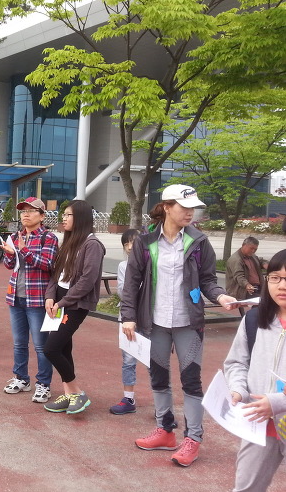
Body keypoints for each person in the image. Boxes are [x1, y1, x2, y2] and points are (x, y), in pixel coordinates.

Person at [121, 184, 236, 467]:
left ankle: (193, 438)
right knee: (158, 378)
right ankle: (165, 431)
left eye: (193, 208)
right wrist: (128, 316)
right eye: (184, 207)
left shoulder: (199, 242)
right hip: (154, 323)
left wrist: (221, 296)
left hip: (188, 323)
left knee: (191, 381)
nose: (190, 213)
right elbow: (131, 284)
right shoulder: (145, 242)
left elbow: (208, 280)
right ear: (166, 207)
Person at [222, 248, 286, 492]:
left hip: (278, 413)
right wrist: (238, 389)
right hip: (259, 424)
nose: (282, 285)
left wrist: (278, 401)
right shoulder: (255, 319)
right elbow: (237, 362)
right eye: (275, 278)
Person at [42, 200, 105, 414]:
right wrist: (50, 296)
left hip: (75, 303)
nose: (64, 218)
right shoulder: (68, 242)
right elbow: (56, 274)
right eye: (64, 215)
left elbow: (87, 280)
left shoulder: (92, 245)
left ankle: (77, 392)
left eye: (68, 215)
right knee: (63, 348)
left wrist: (62, 302)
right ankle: (69, 395)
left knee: (51, 349)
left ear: (81, 218)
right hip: (60, 300)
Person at [1, 197, 59, 403]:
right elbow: (10, 265)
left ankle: (43, 384)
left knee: (41, 345)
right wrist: (10, 253)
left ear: (42, 216)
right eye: (23, 211)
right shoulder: (14, 236)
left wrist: (23, 250)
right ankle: (21, 378)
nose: (25, 214)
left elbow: (47, 264)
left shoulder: (48, 238)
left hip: (37, 299)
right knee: (19, 343)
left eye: (31, 211)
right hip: (15, 296)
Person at [110, 228, 142, 414]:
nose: (129, 247)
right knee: (128, 359)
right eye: (126, 244)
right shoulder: (124, 266)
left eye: (133, 242)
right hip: (127, 316)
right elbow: (123, 292)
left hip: (149, 318)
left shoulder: (151, 264)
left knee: (155, 360)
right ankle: (128, 398)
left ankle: (162, 403)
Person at [226, 236, 267, 301]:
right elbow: (239, 276)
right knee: (262, 302)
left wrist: (265, 264)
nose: (253, 251)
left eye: (255, 249)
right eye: (251, 248)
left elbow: (259, 260)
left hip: (257, 288)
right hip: (242, 291)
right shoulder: (236, 259)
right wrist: (247, 285)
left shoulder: (251, 255)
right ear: (243, 245)